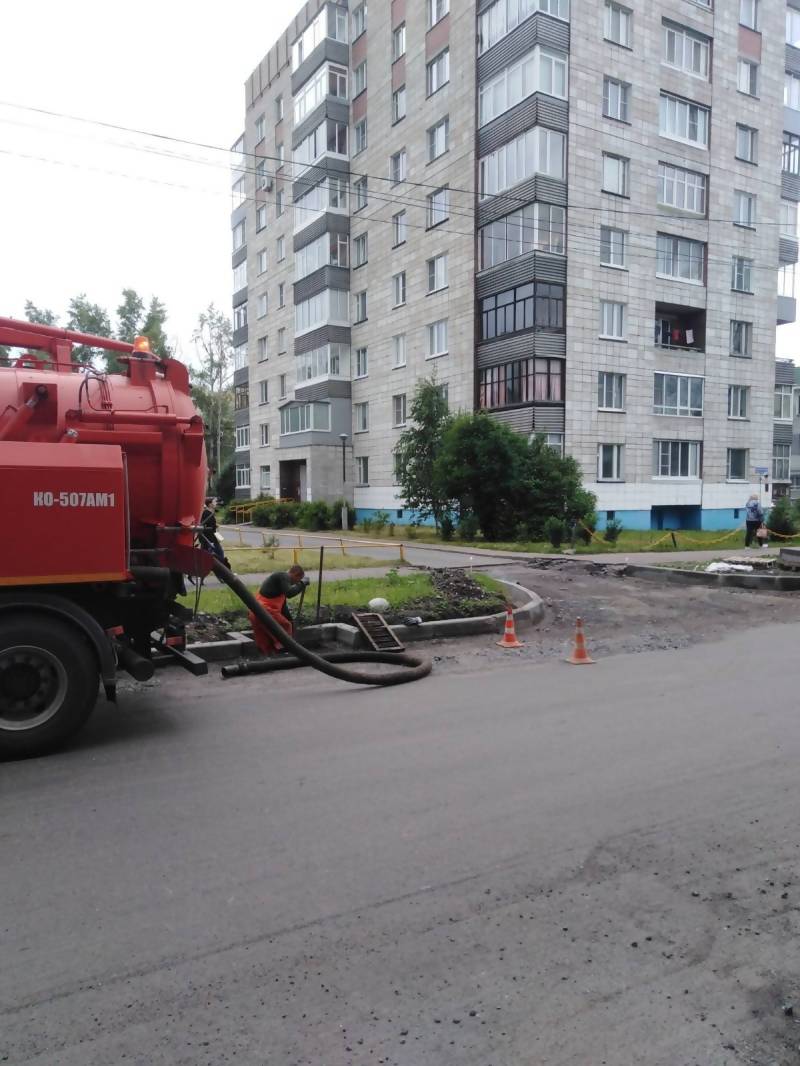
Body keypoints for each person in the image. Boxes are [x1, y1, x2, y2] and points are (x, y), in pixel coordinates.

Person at [249, 565, 309, 655]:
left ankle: (268, 660)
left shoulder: (281, 587)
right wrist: (302, 583)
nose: (294, 584)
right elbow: (290, 593)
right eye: (297, 581)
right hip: (265, 610)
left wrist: (291, 620)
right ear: (295, 574)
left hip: (254, 613)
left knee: (265, 641)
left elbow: (283, 608)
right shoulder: (284, 576)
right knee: (286, 626)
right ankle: (286, 652)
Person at [199, 497, 226, 563]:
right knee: (220, 554)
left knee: (205, 556)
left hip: (211, 538)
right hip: (209, 539)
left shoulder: (210, 513)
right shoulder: (206, 513)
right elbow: (203, 525)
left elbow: (209, 524)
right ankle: (223, 571)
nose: (216, 503)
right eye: (215, 502)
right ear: (210, 504)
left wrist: (214, 526)